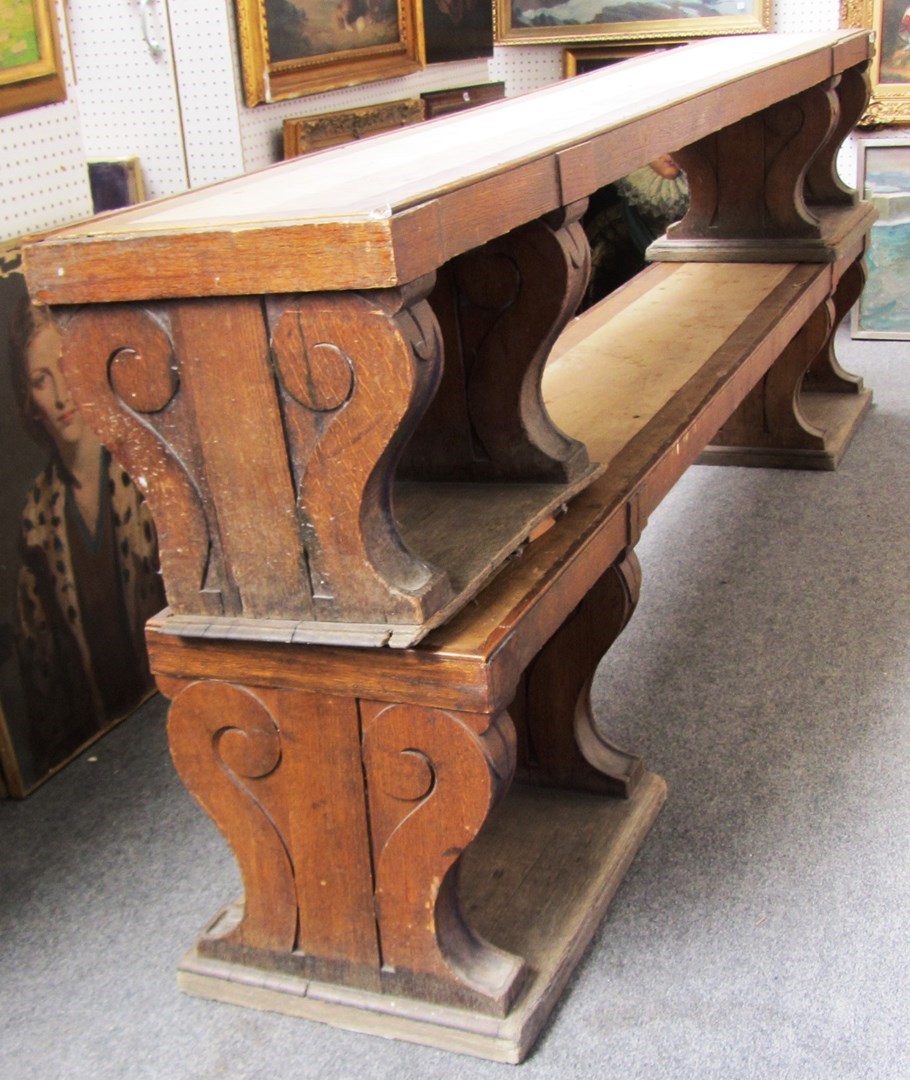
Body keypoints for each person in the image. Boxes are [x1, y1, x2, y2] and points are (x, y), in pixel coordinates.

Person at [8, 299, 165, 778]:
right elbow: (43, 677)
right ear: (29, 401)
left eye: (62, 368)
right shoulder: (36, 522)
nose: (59, 397)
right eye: (40, 380)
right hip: (101, 759)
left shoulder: (146, 473)